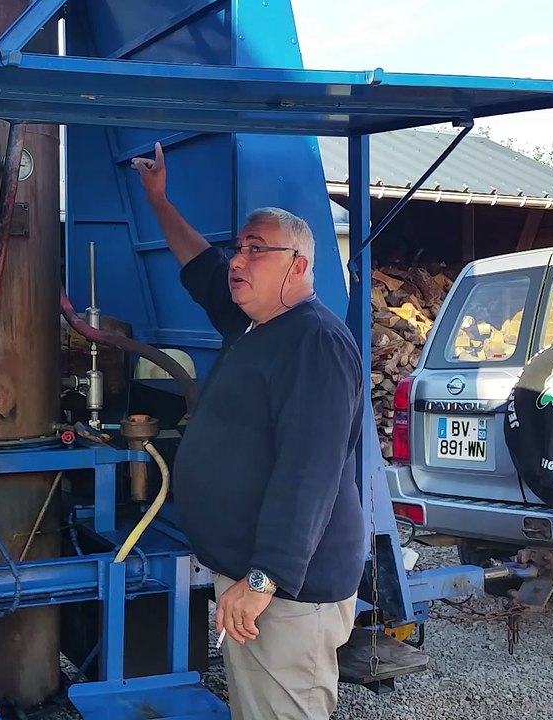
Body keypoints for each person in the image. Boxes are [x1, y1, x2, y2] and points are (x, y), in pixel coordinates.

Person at [131, 142, 367, 720]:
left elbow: (309, 472)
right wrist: (159, 201)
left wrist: (265, 578)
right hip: (256, 582)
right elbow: (200, 267)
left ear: (299, 266)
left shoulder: (315, 343)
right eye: (240, 247)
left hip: (288, 594)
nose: (238, 260)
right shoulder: (253, 323)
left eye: (256, 250)